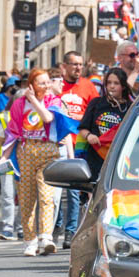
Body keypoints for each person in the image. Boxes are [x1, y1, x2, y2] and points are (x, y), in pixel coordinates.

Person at [6, 68, 73, 256]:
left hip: (48, 150)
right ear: (31, 85)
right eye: (41, 83)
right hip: (26, 150)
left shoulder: (53, 101)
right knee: (27, 199)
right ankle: (30, 240)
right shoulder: (19, 104)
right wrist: (4, 157)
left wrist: (34, 100)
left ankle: (46, 237)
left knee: (46, 196)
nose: (46, 86)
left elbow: (48, 118)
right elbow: (12, 131)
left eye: (47, 82)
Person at [55, 52, 99, 248]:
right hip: (58, 143)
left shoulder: (88, 86)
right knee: (54, 189)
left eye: (80, 65)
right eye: (74, 64)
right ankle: (55, 226)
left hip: (79, 144)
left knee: (74, 190)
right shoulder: (56, 86)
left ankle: (70, 231)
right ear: (64, 66)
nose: (78, 68)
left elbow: (97, 112)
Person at [79, 67, 134, 180]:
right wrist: (89, 136)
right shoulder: (96, 103)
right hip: (96, 157)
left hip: (119, 159)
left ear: (123, 86)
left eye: (116, 83)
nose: (112, 86)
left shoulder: (130, 107)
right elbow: (83, 129)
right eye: (109, 83)